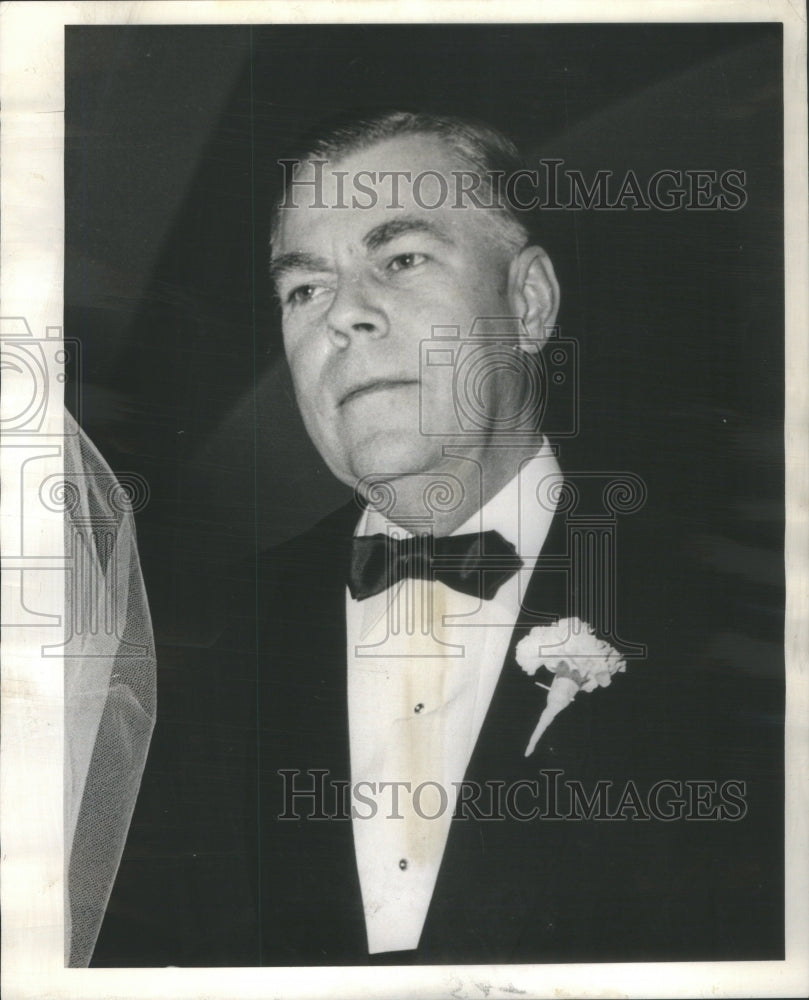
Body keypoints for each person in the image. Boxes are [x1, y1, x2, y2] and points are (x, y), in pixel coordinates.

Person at [93, 111, 783, 968]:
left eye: (402, 259)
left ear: (527, 301)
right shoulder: (194, 641)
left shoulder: (741, 605)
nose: (343, 315)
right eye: (304, 289)